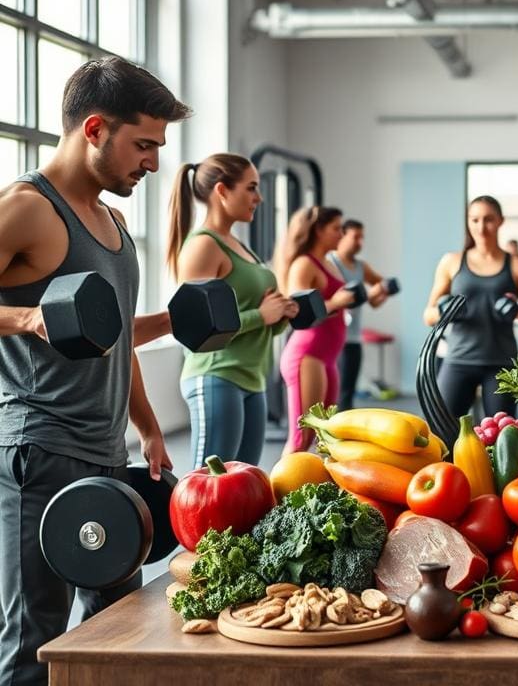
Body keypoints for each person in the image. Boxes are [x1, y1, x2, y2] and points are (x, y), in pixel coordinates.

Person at [0, 56, 188, 686]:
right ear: (96, 128)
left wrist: (150, 427)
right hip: (41, 449)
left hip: (109, 454)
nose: (154, 163)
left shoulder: (115, 222)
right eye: (144, 145)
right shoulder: (27, 208)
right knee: (35, 642)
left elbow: (112, 339)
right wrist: (26, 319)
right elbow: (38, 320)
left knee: (114, 633)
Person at [166, 154, 298, 470]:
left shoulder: (238, 245)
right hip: (216, 374)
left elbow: (255, 318)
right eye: (251, 188)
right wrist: (261, 316)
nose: (259, 197)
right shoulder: (204, 246)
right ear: (223, 191)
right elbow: (194, 328)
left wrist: (280, 316)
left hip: (252, 379)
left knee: (244, 486)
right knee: (207, 485)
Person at [423, 195, 518, 419]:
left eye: (488, 219)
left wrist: (517, 312)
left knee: (503, 437)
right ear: (468, 222)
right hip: (459, 360)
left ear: (500, 221)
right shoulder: (451, 262)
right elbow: (428, 315)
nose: (481, 227)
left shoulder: (517, 265)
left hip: (501, 364)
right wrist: (444, 311)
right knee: (441, 430)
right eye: (475, 220)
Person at [274, 206, 357, 455]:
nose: (341, 234)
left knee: (325, 435)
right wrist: (337, 302)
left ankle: (315, 490)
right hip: (307, 355)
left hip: (328, 357)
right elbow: (298, 312)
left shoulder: (328, 263)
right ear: (318, 231)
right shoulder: (304, 264)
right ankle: (278, 493)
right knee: (301, 438)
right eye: (335, 228)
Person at [328, 219, 395, 411]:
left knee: (347, 394)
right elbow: (340, 298)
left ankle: (345, 437)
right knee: (335, 395)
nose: (360, 242)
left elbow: (375, 297)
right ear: (342, 235)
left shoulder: (360, 266)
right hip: (334, 337)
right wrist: (369, 294)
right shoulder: (330, 262)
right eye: (355, 237)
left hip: (354, 338)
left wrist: (383, 292)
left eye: (362, 238)